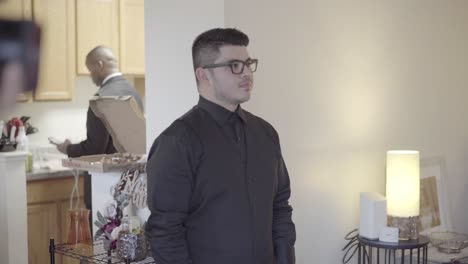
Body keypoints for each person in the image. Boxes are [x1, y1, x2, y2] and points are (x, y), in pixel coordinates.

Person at [146, 28, 296, 264]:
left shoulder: (266, 134)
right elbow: (165, 232)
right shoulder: (176, 142)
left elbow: (280, 207)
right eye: (235, 65)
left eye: (248, 63)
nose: (247, 73)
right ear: (203, 75)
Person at [55, 45, 144, 156]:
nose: (91, 76)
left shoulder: (100, 98)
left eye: (90, 70)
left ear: (100, 65)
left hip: (108, 171)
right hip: (132, 169)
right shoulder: (134, 93)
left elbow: (95, 149)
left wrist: (67, 149)